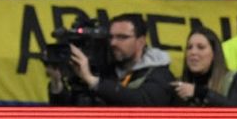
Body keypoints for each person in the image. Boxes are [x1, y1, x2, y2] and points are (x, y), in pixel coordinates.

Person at [47, 14, 175, 106]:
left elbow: (143, 103)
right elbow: (66, 116)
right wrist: (56, 82)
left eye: (121, 37)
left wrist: (92, 81)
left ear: (141, 41)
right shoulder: (105, 69)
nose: (113, 43)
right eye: (111, 37)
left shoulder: (160, 73)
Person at [172, 27, 237, 106]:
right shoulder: (178, 86)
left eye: (201, 47)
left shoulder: (234, 79)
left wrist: (201, 93)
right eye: (189, 47)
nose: (193, 52)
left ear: (214, 53)